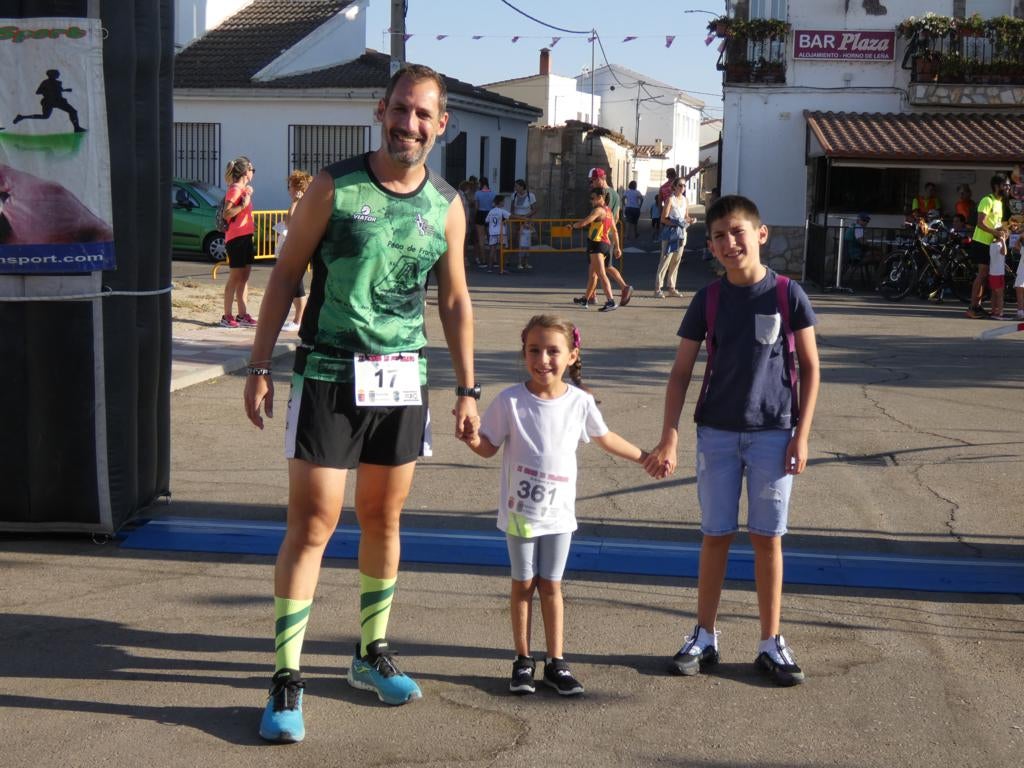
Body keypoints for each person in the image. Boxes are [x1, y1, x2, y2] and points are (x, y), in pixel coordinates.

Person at [243, 63, 478, 744]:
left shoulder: (447, 205)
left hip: (402, 379)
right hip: (327, 372)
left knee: (382, 517)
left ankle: (369, 654)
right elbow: (286, 275)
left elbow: (454, 299)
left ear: (441, 125)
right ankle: (286, 676)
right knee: (313, 523)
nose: (409, 124)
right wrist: (258, 365)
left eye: (423, 114)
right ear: (382, 110)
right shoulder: (335, 186)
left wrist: (467, 389)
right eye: (400, 109)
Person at [644, 194, 820, 688]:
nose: (728, 243)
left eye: (737, 232)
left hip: (773, 434)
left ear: (760, 234)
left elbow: (810, 368)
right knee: (716, 534)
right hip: (717, 434)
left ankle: (770, 641)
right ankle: (704, 635)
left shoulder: (787, 294)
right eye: (719, 236)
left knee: (767, 538)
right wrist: (670, 436)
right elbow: (681, 372)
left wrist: (802, 436)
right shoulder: (708, 299)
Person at [461, 314, 647, 696]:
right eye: (534, 350)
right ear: (523, 353)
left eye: (552, 351)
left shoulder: (579, 402)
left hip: (559, 516)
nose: (542, 359)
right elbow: (488, 447)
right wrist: (471, 436)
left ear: (572, 355)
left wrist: (645, 457)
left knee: (551, 586)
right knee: (523, 584)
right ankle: (523, 660)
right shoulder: (510, 401)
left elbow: (606, 437)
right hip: (520, 514)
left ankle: (556, 662)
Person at [220, 156, 256, 328]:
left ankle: (242, 314)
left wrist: (246, 195)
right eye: (252, 169)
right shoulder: (234, 189)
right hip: (236, 239)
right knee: (235, 278)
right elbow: (226, 213)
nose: (253, 172)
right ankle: (226, 316)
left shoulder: (242, 189)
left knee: (244, 278)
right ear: (245, 172)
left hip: (246, 236)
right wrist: (243, 205)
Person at [275, 170, 313, 332]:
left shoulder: (302, 204)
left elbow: (290, 223)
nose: (288, 189)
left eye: (290, 186)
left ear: (298, 189)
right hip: (298, 247)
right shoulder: (305, 202)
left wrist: (295, 202)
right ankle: (298, 319)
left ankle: (298, 320)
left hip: (298, 248)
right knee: (295, 284)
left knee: (296, 285)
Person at [571, 187, 621, 312]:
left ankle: (610, 300)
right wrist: (617, 247)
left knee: (601, 274)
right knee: (593, 275)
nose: (591, 201)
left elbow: (584, 222)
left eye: (593, 198)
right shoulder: (609, 211)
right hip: (605, 245)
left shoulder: (598, 210)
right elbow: (615, 231)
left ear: (600, 197)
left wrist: (572, 226)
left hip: (597, 245)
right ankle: (585, 299)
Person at [967, 174, 1009, 319]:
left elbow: (995, 223)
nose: (1008, 188)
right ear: (997, 186)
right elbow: (980, 223)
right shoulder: (987, 200)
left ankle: (977, 306)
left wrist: (1004, 230)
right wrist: (995, 232)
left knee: (985, 277)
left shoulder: (999, 202)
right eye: (1005, 185)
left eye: (1008, 185)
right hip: (981, 242)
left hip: (991, 245)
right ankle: (972, 308)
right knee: (982, 275)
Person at [13, 69, 85, 132]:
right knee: (45, 116)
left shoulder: (58, 83)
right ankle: (22, 117)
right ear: (52, 75)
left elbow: (58, 90)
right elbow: (38, 92)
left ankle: (77, 128)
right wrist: (48, 91)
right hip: (49, 101)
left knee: (73, 111)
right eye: (56, 74)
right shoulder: (45, 82)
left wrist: (65, 90)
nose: (58, 75)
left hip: (58, 100)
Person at [655, 178, 692, 298]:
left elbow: (686, 216)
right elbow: (663, 218)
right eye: (680, 185)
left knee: (676, 260)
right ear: (674, 186)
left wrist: (690, 220)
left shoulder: (685, 200)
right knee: (665, 260)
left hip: (681, 233)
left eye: (684, 186)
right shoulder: (670, 199)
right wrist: (675, 223)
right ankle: (658, 288)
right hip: (670, 234)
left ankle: (672, 287)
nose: (682, 188)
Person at [510, 178, 537, 271]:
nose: (515, 188)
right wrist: (514, 216)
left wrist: (526, 216)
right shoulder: (514, 195)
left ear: (522, 187)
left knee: (525, 241)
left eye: (516, 186)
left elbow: (534, 209)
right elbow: (512, 209)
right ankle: (513, 259)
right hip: (516, 219)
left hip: (526, 220)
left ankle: (524, 262)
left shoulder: (530, 195)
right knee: (515, 239)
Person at [485, 194, 511, 271]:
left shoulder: (491, 211)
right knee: (502, 250)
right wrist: (524, 218)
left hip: (493, 232)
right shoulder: (502, 211)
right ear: (500, 202)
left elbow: (486, 220)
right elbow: (511, 216)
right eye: (503, 201)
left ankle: (489, 268)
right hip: (501, 232)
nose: (504, 203)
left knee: (492, 250)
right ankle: (501, 268)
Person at [475, 176, 496, 267]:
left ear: (480, 183)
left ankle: (483, 260)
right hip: (490, 214)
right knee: (491, 237)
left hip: (480, 214)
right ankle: (493, 259)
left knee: (481, 238)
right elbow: (494, 205)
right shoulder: (493, 193)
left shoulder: (477, 193)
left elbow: (476, 206)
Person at [988, 226, 1008, 320]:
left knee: (993, 293)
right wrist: (1003, 242)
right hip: (998, 274)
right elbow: (1004, 252)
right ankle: (1000, 312)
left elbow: (998, 258)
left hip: (992, 273)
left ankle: (993, 310)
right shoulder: (1000, 245)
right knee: (1000, 295)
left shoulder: (992, 244)